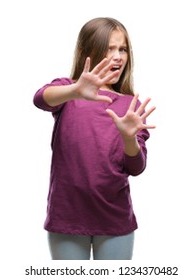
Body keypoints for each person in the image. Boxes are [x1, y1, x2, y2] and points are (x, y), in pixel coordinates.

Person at [33, 17, 155, 260]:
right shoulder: (68, 89)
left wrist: (129, 139)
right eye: (110, 48)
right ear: (88, 51)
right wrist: (75, 90)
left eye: (122, 49)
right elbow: (40, 99)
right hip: (67, 218)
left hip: (115, 221)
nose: (118, 56)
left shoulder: (130, 105)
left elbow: (136, 167)